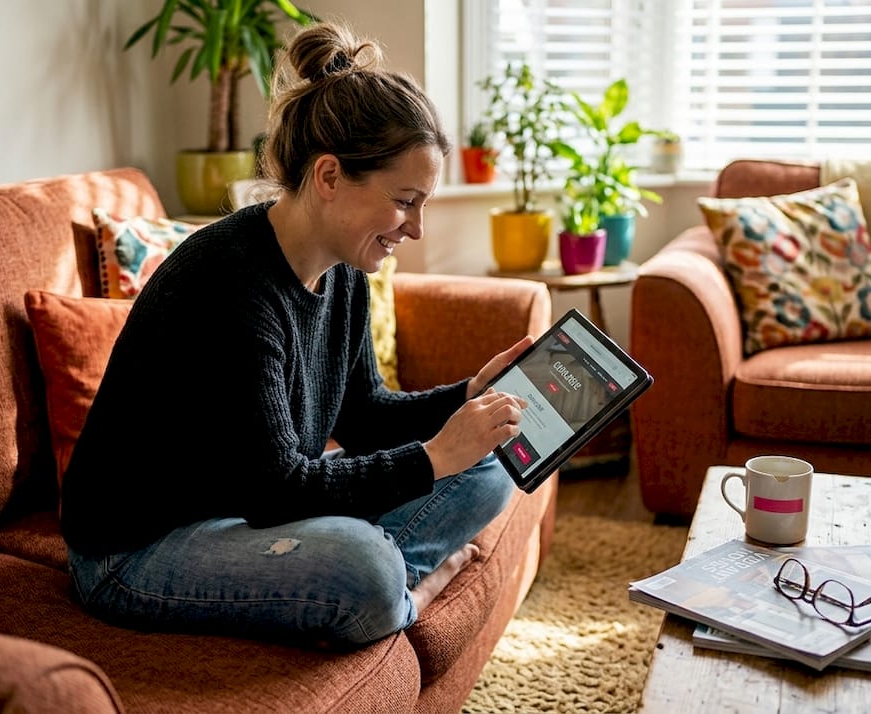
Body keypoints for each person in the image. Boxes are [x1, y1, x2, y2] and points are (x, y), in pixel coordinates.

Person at [59, 21, 534, 649]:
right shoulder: (229, 281)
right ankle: (392, 583)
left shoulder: (344, 272)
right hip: (139, 547)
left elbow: (363, 414)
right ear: (330, 176)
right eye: (405, 200)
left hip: (252, 507)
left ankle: (388, 583)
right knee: (361, 568)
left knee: (499, 460)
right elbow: (278, 487)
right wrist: (436, 456)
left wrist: (466, 398)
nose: (415, 229)